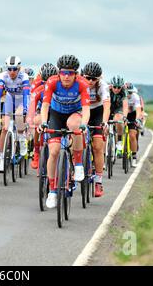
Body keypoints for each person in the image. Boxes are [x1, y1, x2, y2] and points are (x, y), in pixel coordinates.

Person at [39, 55, 90, 209]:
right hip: (56, 114)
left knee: (74, 125)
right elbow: (45, 106)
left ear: (76, 74)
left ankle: (79, 163)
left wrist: (83, 124)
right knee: (53, 151)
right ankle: (53, 191)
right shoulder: (52, 82)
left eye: (70, 73)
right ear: (58, 73)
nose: (66, 76)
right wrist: (43, 122)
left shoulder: (82, 84)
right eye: (63, 73)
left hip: (75, 113)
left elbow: (86, 109)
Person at [0, 56, 30, 172]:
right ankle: (1, 158)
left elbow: (26, 95)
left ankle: (21, 139)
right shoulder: (2, 76)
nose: (12, 72)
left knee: (20, 116)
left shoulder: (24, 77)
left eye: (14, 69)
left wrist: (26, 108)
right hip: (9, 99)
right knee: (5, 128)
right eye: (9, 69)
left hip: (20, 99)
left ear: (19, 68)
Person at [81, 62, 110, 197]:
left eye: (94, 79)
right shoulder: (79, 83)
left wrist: (104, 122)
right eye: (88, 78)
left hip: (97, 113)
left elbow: (106, 106)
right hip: (82, 112)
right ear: (83, 76)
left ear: (99, 78)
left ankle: (98, 182)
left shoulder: (103, 86)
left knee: (98, 147)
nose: (91, 81)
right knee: (74, 138)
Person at [29, 63, 58, 169]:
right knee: (37, 122)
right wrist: (30, 119)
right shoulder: (38, 87)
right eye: (45, 82)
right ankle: (36, 152)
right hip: (43, 109)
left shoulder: (60, 88)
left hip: (56, 111)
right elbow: (32, 104)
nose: (48, 85)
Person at [109, 75, 129, 155]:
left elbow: (125, 106)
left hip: (118, 108)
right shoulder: (107, 89)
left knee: (118, 119)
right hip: (109, 107)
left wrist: (124, 117)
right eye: (114, 87)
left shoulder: (124, 91)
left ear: (122, 87)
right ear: (111, 85)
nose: (116, 89)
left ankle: (119, 141)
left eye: (119, 87)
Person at [125, 82, 143, 167]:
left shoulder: (135, 97)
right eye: (126, 92)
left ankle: (134, 157)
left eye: (130, 92)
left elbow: (138, 110)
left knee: (132, 135)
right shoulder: (121, 96)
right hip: (123, 114)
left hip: (132, 115)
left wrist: (137, 119)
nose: (128, 94)